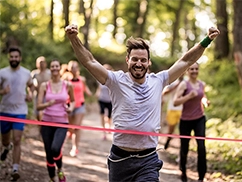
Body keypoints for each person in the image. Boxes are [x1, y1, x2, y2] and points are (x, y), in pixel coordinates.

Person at [65, 24, 219, 182]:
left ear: (149, 63)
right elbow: (89, 61)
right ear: (127, 60)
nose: (139, 63)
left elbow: (185, 61)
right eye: (135, 59)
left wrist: (207, 40)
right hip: (120, 159)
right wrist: (73, 38)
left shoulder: (159, 80)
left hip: (148, 159)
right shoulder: (115, 81)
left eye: (143, 60)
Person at [37, 59, 75, 182]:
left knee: (55, 148)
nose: (54, 68)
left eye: (56, 66)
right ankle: (52, 178)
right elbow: (38, 106)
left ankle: (59, 169)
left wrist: (70, 108)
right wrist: (48, 104)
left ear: (60, 68)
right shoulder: (45, 85)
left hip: (62, 122)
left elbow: (73, 101)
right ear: (50, 68)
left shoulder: (67, 85)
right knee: (48, 152)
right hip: (46, 122)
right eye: (52, 66)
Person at [0, 47, 35, 181]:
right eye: (12, 57)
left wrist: (31, 93)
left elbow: (31, 85)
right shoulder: (2, 73)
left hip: (20, 111)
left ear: (20, 58)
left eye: (16, 57)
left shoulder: (26, 73)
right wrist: (3, 92)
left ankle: (15, 168)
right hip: (4, 111)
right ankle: (6, 147)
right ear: (9, 58)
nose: (14, 59)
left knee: (17, 140)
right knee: (5, 140)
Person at [173, 62, 210, 182]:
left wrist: (205, 101)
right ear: (187, 71)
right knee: (185, 148)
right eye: (191, 69)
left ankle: (201, 176)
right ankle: (183, 170)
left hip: (199, 119)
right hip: (186, 120)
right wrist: (188, 96)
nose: (194, 71)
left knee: (201, 147)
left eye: (196, 69)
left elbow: (202, 96)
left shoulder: (201, 84)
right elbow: (175, 102)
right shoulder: (184, 85)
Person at [66, 60, 92, 157]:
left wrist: (90, 93)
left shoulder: (82, 79)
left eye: (75, 67)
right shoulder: (66, 79)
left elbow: (85, 88)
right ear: (69, 69)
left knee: (77, 127)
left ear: (78, 69)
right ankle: (70, 132)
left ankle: (75, 148)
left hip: (80, 105)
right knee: (70, 127)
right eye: (72, 67)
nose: (74, 69)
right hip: (69, 106)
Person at [162, 75, 184, 150]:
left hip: (184, 109)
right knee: (171, 130)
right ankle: (168, 141)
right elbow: (164, 92)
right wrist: (176, 86)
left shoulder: (187, 80)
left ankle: (182, 149)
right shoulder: (173, 81)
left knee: (183, 131)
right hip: (172, 109)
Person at [95, 64, 113, 140]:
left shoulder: (112, 79)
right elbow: (99, 88)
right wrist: (97, 92)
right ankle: (104, 132)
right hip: (102, 99)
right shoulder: (100, 79)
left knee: (109, 116)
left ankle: (108, 125)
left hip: (110, 100)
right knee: (102, 115)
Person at [31, 56, 51, 120]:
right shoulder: (34, 73)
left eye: (43, 62)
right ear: (37, 64)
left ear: (46, 63)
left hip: (47, 95)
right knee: (37, 112)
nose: (41, 64)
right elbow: (30, 85)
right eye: (40, 63)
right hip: (37, 95)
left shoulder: (49, 73)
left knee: (46, 112)